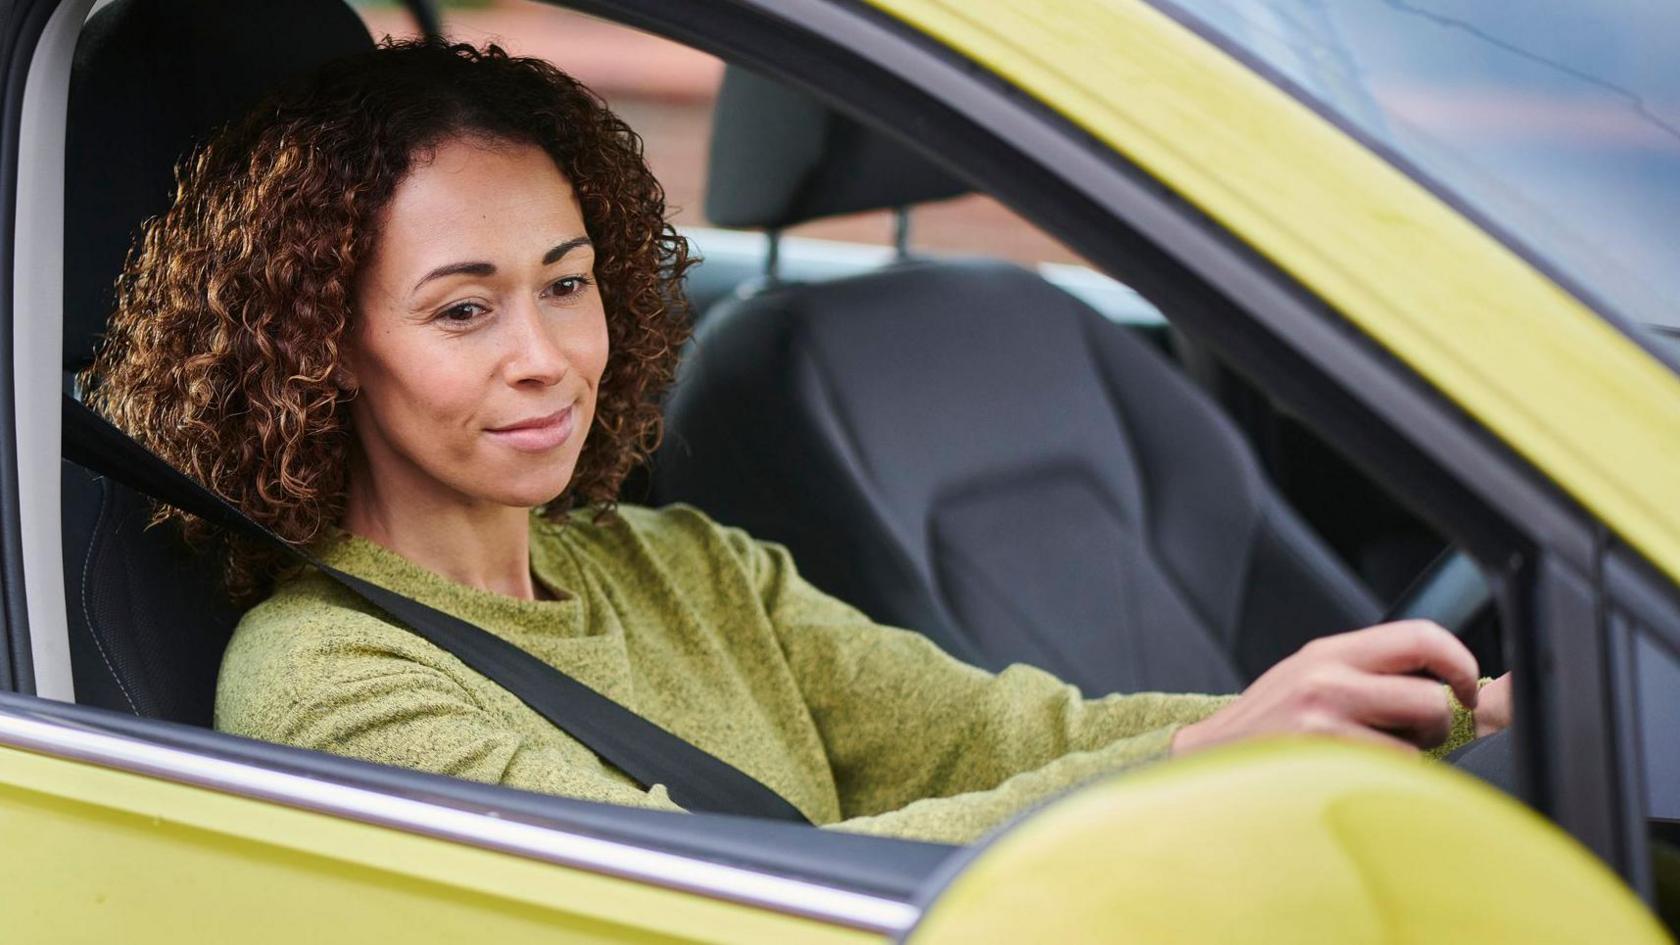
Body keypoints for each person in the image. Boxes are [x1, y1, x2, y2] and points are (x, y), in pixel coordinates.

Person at [84, 40, 1510, 845]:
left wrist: (1404, 715)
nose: (544, 357)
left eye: (567, 284)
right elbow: (705, 895)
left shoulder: (682, 565)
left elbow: (1007, 733)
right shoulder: (327, 680)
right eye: (464, 309)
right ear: (320, 350)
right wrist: (1207, 757)